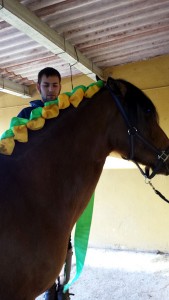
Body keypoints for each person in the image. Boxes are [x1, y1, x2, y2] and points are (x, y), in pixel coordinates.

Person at [18, 67, 73, 300]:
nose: (50, 90)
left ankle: (64, 286)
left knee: (65, 240)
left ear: (60, 87)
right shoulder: (26, 114)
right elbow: (17, 147)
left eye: (54, 85)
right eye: (46, 85)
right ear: (38, 86)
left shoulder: (67, 113)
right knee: (35, 239)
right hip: (33, 187)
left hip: (61, 188)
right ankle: (45, 285)